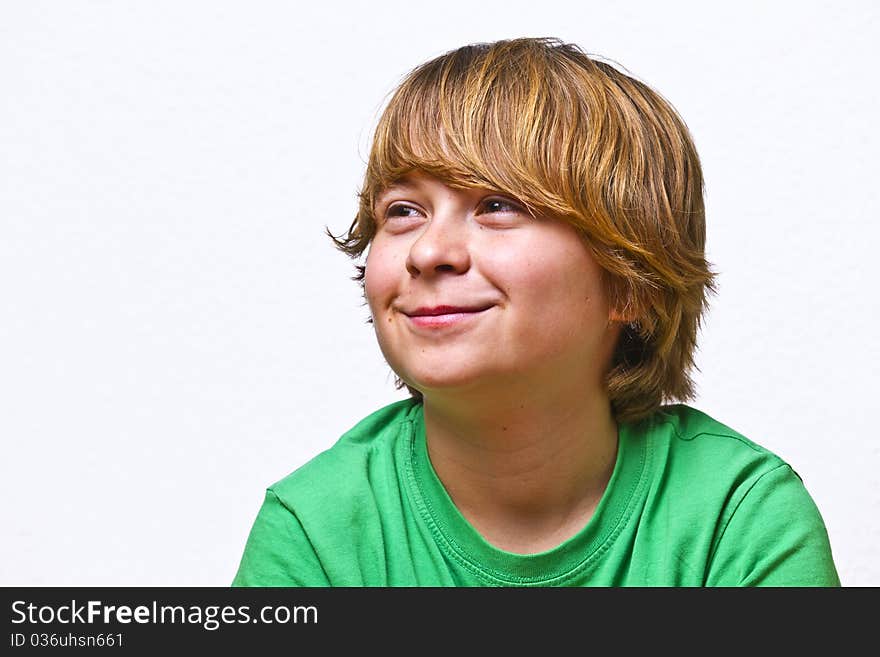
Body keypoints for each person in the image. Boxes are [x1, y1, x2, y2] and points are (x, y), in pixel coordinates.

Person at [232, 37, 840, 586]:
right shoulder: (315, 529)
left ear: (633, 282)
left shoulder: (739, 519)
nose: (429, 251)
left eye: (496, 205)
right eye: (403, 211)